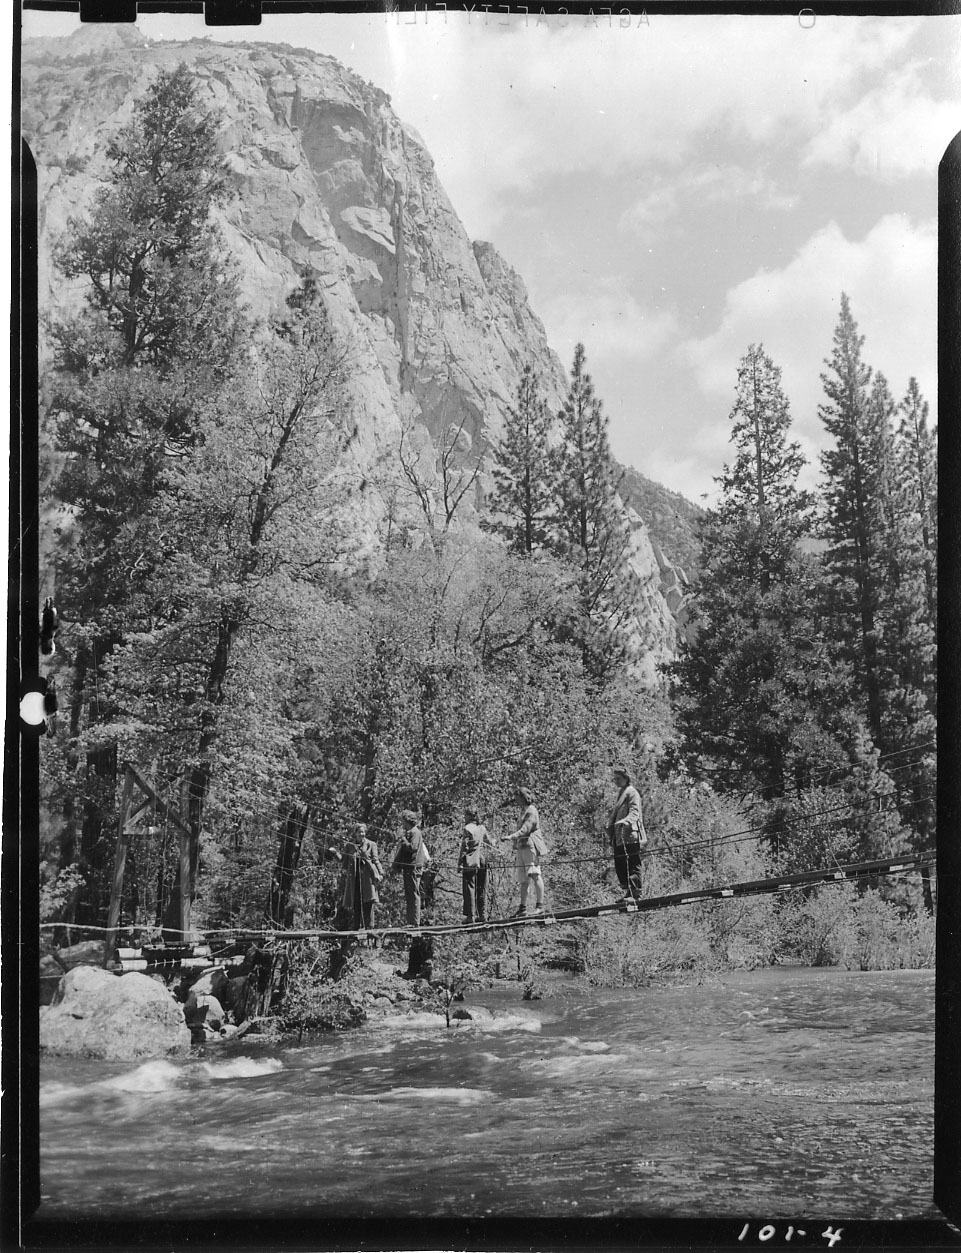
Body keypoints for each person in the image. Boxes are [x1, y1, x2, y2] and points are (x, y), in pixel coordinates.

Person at [504, 788, 547, 917]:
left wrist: (512, 836)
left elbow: (526, 828)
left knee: (534, 874)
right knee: (523, 879)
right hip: (521, 847)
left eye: (517, 797)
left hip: (530, 846)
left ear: (523, 797)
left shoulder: (531, 810)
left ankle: (540, 905)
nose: (516, 800)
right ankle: (522, 908)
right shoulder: (522, 811)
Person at [607, 765, 647, 902]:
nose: (616, 781)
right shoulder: (622, 793)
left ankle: (635, 893)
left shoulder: (632, 793)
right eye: (614, 779)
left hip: (630, 835)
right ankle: (628, 893)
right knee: (621, 864)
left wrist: (625, 821)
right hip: (619, 837)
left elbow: (635, 812)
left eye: (618, 779)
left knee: (632, 863)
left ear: (626, 778)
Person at [334, 826, 385, 934]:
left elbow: (375, 860)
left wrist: (380, 873)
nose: (362, 834)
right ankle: (356, 928)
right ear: (355, 833)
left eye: (363, 832)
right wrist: (334, 853)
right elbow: (343, 860)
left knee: (368, 903)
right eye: (359, 832)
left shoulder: (371, 845)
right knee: (356, 903)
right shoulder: (350, 846)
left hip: (367, 880)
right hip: (355, 880)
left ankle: (369, 929)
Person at [390, 810, 431, 926]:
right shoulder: (412, 832)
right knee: (409, 894)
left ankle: (414, 922)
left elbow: (412, 847)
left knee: (413, 893)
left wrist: (403, 840)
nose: (401, 823)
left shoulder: (414, 832)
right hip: (409, 866)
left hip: (413, 866)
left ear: (407, 820)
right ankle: (411, 921)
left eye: (402, 820)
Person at [457, 808, 493, 923]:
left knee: (469, 888)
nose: (464, 818)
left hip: (471, 861)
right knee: (482, 887)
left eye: (465, 815)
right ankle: (482, 915)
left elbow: (465, 847)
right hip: (482, 860)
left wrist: (460, 863)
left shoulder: (467, 829)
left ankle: (470, 916)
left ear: (469, 816)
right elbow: (489, 842)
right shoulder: (481, 828)